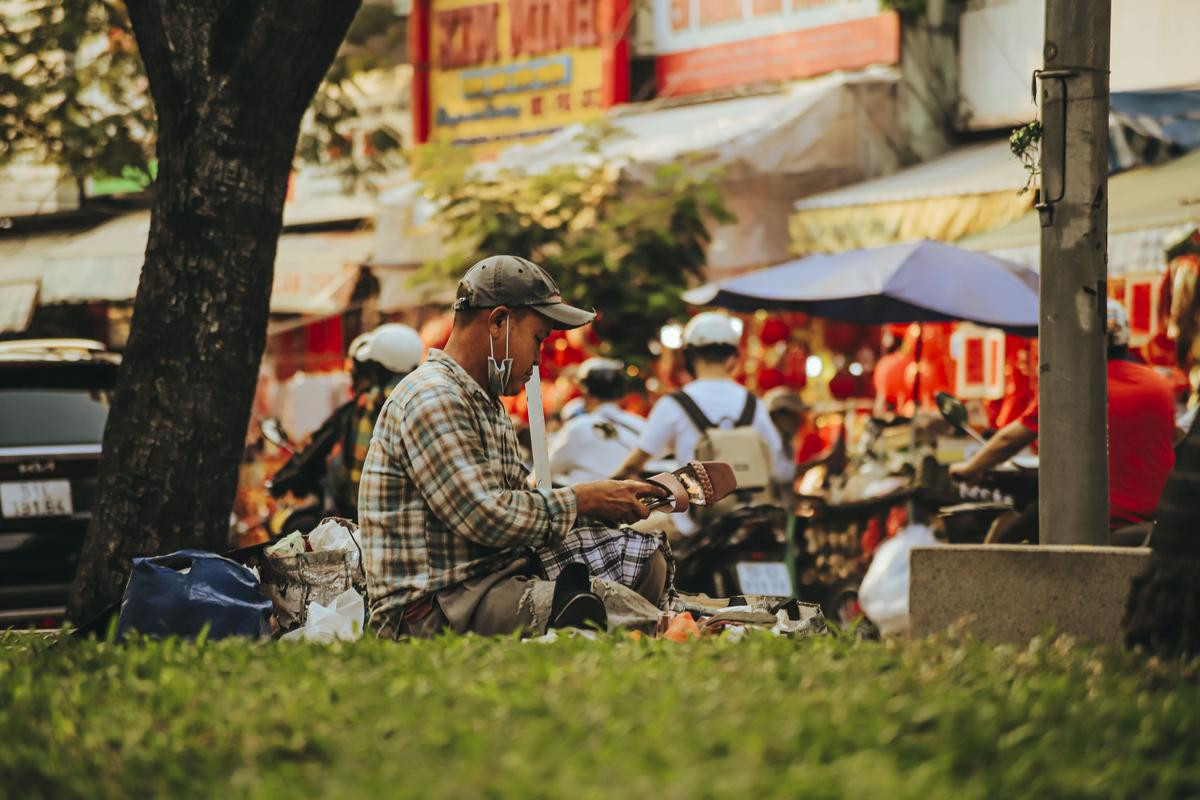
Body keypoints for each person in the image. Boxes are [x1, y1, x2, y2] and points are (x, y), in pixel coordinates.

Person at [358, 255, 672, 639]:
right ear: (498, 322)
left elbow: (523, 505)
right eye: (538, 339)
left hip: (494, 578)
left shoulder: (483, 401)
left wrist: (614, 502)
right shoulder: (432, 397)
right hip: (436, 607)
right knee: (612, 608)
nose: (538, 358)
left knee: (643, 559)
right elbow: (485, 514)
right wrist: (584, 499)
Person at [950, 300, 1175, 538]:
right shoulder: (1161, 387)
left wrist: (969, 468)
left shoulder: (1070, 385)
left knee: (1004, 542)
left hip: (1089, 522)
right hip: (1156, 521)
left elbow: (1010, 439)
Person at [613, 312, 792, 537]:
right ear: (734, 357)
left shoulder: (674, 404)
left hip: (692, 525)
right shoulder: (753, 404)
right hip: (750, 521)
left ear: (689, 356)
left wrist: (607, 485)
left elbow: (632, 466)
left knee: (624, 539)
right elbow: (780, 469)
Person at [326, 323, 424, 516]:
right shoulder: (422, 395)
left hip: (373, 514)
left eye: (374, 366)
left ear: (385, 367)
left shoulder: (377, 402)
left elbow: (358, 477)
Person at [549, 357, 646, 484]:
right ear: (621, 394)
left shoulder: (577, 427)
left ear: (586, 392)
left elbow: (546, 470)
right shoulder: (641, 424)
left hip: (587, 501)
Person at [873, 327, 913, 418]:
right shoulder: (907, 362)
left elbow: (881, 396)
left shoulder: (886, 362)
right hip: (901, 410)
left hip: (894, 409)